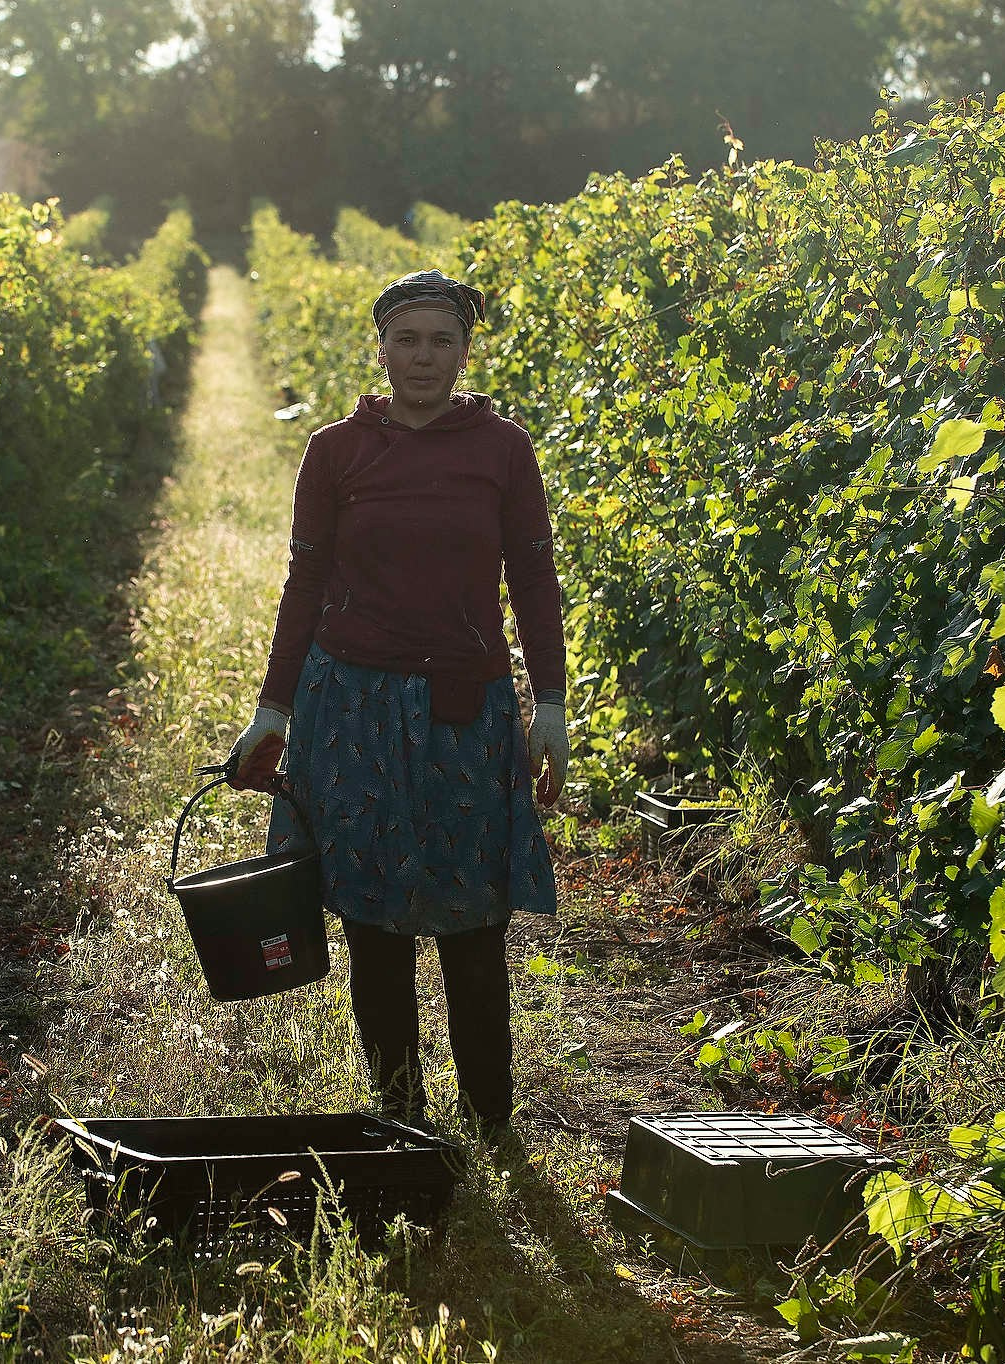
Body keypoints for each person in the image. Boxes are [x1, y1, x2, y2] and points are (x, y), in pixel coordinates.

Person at [223, 268, 570, 1136]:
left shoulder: (502, 449)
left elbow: (532, 578)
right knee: (374, 922)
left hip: (468, 706)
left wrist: (551, 704)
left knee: (474, 918)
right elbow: (304, 583)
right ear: (379, 348)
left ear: (466, 350)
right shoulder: (337, 451)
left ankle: (491, 1120)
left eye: (441, 340)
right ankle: (400, 1118)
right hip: (352, 708)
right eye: (406, 339)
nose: (424, 357)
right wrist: (274, 709)